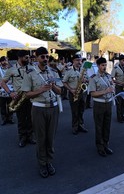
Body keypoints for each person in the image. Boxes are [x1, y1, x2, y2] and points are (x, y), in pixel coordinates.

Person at [21, 47, 63, 178]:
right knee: (41, 138)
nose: (45, 59)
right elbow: (27, 94)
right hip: (38, 108)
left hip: (53, 107)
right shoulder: (30, 73)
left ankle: (49, 161)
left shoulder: (54, 71)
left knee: (50, 138)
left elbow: (60, 91)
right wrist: (41, 90)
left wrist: (53, 86)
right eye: (42, 57)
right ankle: (42, 163)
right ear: (36, 57)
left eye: (46, 56)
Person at [1, 50, 35, 147]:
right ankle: (22, 138)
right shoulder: (11, 69)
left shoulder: (32, 68)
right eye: (26, 57)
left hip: (30, 96)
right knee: (21, 119)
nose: (28, 59)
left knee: (30, 118)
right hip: (18, 97)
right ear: (20, 58)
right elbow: (2, 82)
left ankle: (30, 136)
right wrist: (10, 92)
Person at [88, 57, 114, 157]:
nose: (104, 67)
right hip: (99, 104)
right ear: (98, 66)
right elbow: (93, 94)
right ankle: (100, 146)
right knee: (99, 126)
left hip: (108, 103)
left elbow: (111, 86)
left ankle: (106, 144)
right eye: (102, 65)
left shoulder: (108, 76)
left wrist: (112, 89)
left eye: (105, 65)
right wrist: (105, 91)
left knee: (107, 126)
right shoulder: (93, 78)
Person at [63, 54, 88, 134]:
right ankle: (75, 126)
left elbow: (88, 79)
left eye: (80, 60)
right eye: (77, 60)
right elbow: (64, 82)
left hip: (82, 92)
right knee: (75, 111)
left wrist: (85, 80)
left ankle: (81, 125)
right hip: (73, 93)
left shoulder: (84, 70)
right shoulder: (69, 71)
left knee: (81, 110)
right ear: (73, 61)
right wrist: (70, 89)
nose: (79, 62)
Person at [111, 54, 124, 123]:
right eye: (123, 60)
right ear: (119, 61)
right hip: (119, 86)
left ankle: (123, 116)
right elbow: (111, 79)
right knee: (119, 103)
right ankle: (119, 117)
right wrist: (119, 82)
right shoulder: (115, 68)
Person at [0, 56, 14, 125]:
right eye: (4, 61)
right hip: (1, 92)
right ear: (1, 62)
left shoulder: (11, 69)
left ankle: (10, 118)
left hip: (10, 90)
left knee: (10, 105)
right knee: (2, 106)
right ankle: (4, 119)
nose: (5, 62)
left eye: (6, 61)